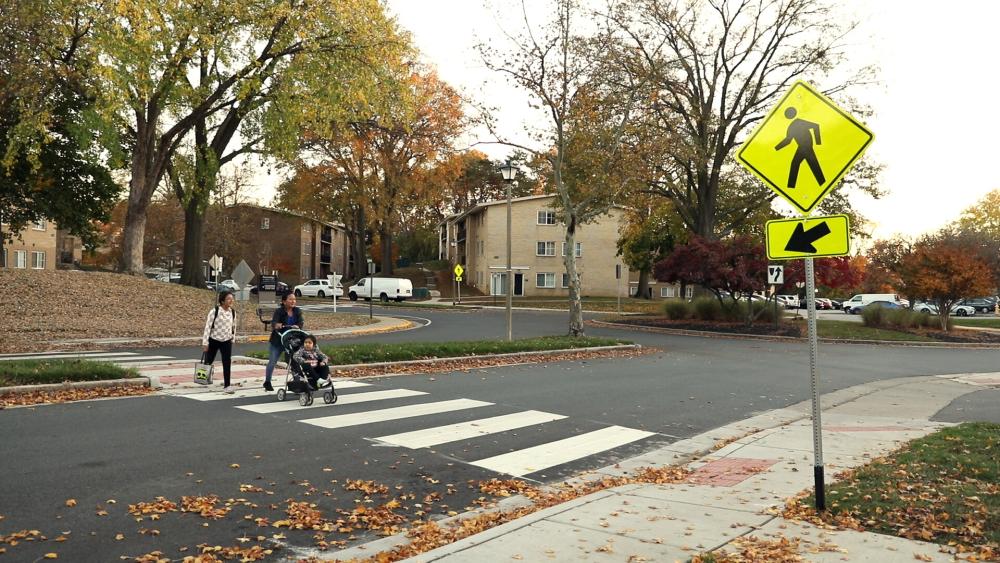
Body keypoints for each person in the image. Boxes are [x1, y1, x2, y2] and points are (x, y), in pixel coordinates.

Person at [263, 292, 304, 392]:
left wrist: (298, 326)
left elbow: (301, 322)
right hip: (278, 340)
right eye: (290, 299)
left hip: (290, 341)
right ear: (284, 301)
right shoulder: (279, 311)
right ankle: (267, 382)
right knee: (272, 361)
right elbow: (274, 323)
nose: (293, 301)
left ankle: (297, 383)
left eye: (294, 299)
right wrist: (277, 325)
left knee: (293, 361)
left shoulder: (297, 311)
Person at [202, 291, 237, 393]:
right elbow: (208, 327)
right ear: (222, 301)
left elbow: (233, 327)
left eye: (232, 298)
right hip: (214, 339)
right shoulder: (215, 311)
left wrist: (232, 339)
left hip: (226, 340)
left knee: (227, 362)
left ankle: (227, 385)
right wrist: (205, 342)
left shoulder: (233, 312)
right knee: (209, 360)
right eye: (228, 299)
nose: (231, 300)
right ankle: (203, 378)